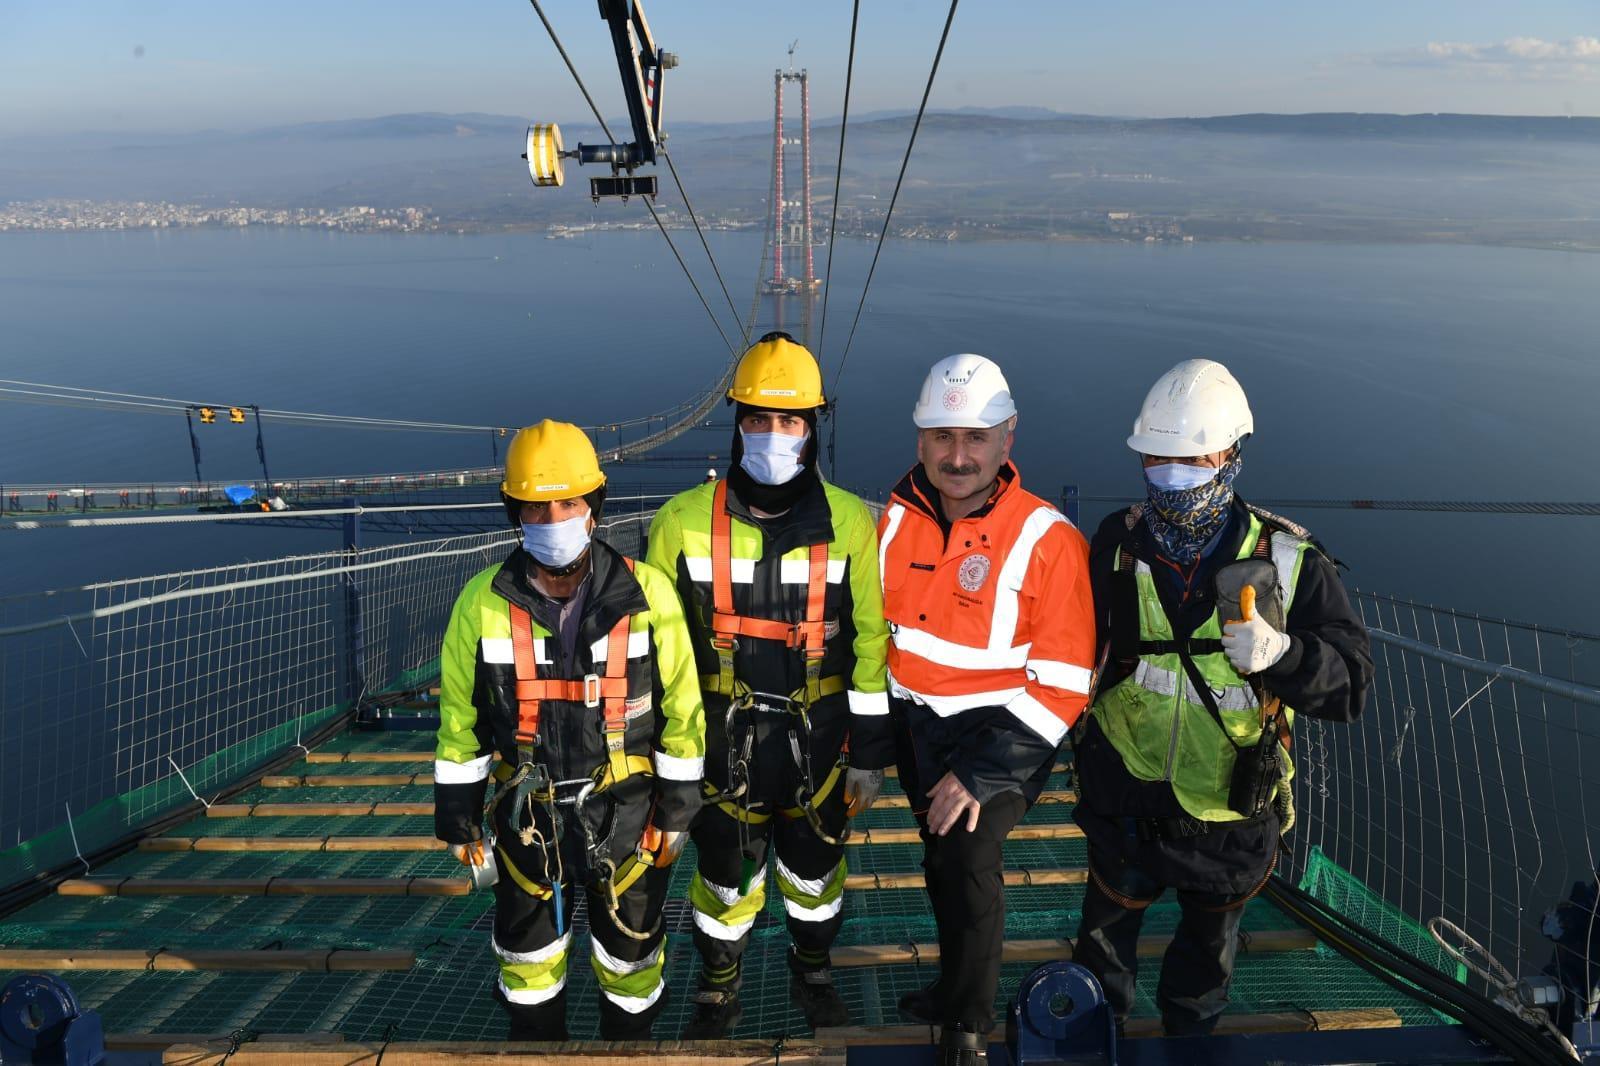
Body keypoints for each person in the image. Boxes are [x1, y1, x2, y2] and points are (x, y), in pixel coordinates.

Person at [1071, 358, 1372, 1036]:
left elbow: (1351, 686)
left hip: (1229, 813)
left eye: (1190, 455)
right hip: (1126, 796)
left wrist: (1285, 656)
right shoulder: (1117, 546)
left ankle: (1188, 1043)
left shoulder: (1291, 563)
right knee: (1100, 958)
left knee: (1203, 971)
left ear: (1231, 454)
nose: (1170, 471)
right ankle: (1093, 1041)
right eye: (1157, 455)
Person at [646, 331, 892, 1038]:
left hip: (818, 751)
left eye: (789, 420)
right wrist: (667, 764)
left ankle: (811, 969)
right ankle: (719, 986)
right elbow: (655, 654)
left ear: (812, 428)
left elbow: (868, 641)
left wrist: (871, 753)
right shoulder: (681, 524)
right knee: (724, 879)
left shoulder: (850, 524)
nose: (773, 434)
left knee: (814, 882)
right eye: (758, 418)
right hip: (721, 751)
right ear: (737, 424)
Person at [433, 419, 706, 1040]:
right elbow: (460, 721)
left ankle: (628, 1047)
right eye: (536, 505)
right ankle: (536, 1047)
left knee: (631, 958)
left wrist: (678, 813)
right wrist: (459, 817)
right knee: (529, 963)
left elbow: (684, 715)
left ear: (594, 507)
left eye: (568, 502)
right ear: (515, 512)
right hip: (526, 817)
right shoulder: (481, 603)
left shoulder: (650, 595)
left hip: (630, 816)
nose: (553, 517)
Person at [878, 354, 1096, 1066]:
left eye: (976, 437)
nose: (959, 456)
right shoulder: (894, 519)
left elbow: (1064, 682)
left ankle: (967, 1027)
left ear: (1009, 438)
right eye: (943, 437)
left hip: (1003, 731)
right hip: (918, 726)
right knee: (937, 859)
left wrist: (979, 774)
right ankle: (951, 987)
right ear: (920, 442)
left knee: (969, 855)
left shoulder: (1047, 539)